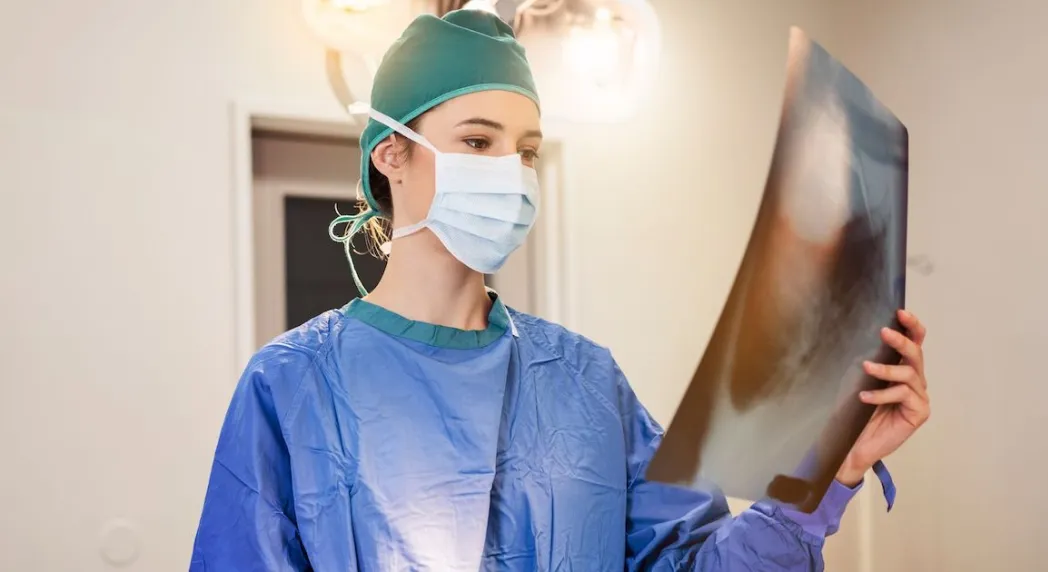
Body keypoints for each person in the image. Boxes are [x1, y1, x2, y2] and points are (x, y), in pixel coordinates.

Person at [190, 9, 931, 572]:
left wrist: (830, 466)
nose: (510, 171)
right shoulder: (291, 388)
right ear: (391, 155)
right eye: (478, 142)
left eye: (527, 150)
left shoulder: (585, 382)